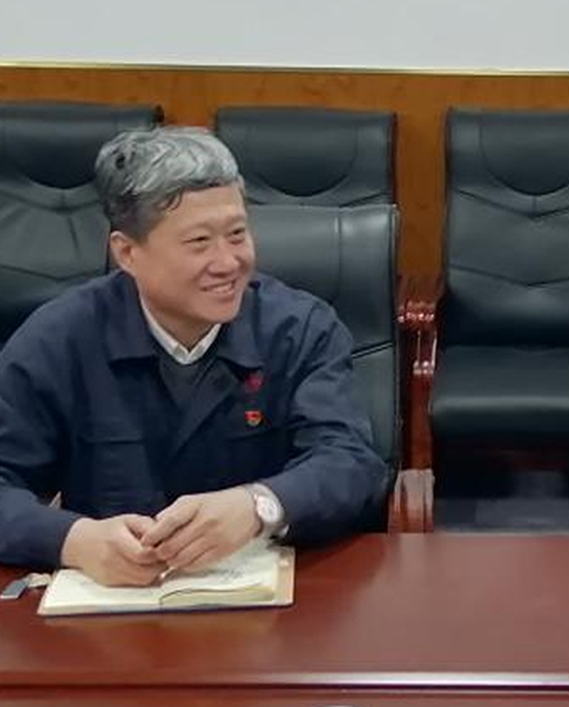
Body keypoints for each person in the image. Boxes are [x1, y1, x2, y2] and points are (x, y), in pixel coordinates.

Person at [0, 127, 389, 584]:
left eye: (237, 235)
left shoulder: (299, 329)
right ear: (127, 253)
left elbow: (351, 462)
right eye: (199, 242)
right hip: (113, 603)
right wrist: (73, 539)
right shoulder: (59, 339)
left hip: (270, 601)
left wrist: (259, 505)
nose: (227, 263)